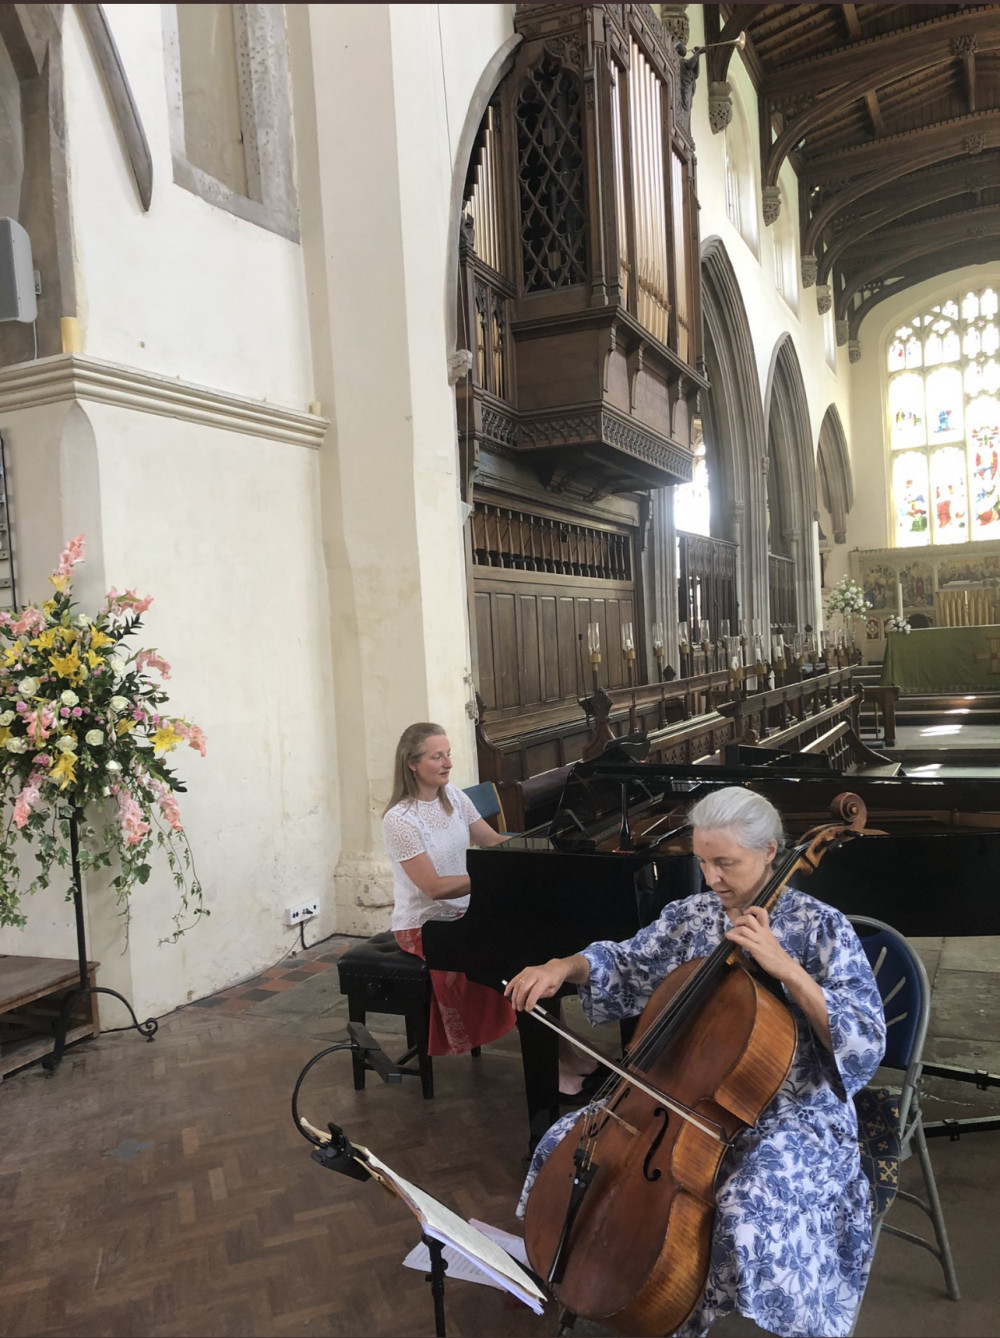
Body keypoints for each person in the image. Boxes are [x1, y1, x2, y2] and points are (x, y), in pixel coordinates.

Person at [505, 786, 886, 1338]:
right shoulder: (691, 917)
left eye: (725, 863)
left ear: (770, 851)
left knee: (745, 1202)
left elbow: (866, 1041)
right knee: (566, 1141)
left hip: (795, 1111)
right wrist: (565, 967)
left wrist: (790, 972)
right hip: (685, 1099)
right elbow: (627, 961)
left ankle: (723, 1312)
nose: (712, 879)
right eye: (703, 861)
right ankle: (578, 1273)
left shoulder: (820, 927)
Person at [382, 721, 516, 1056]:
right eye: (437, 757)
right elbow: (434, 888)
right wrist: (489, 876)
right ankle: (559, 1064)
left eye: (449, 755)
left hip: (466, 908)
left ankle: (561, 1057)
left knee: (523, 945)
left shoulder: (454, 796)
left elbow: (491, 840)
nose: (448, 763)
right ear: (412, 764)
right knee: (502, 956)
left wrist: (529, 853)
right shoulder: (399, 820)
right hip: (425, 924)